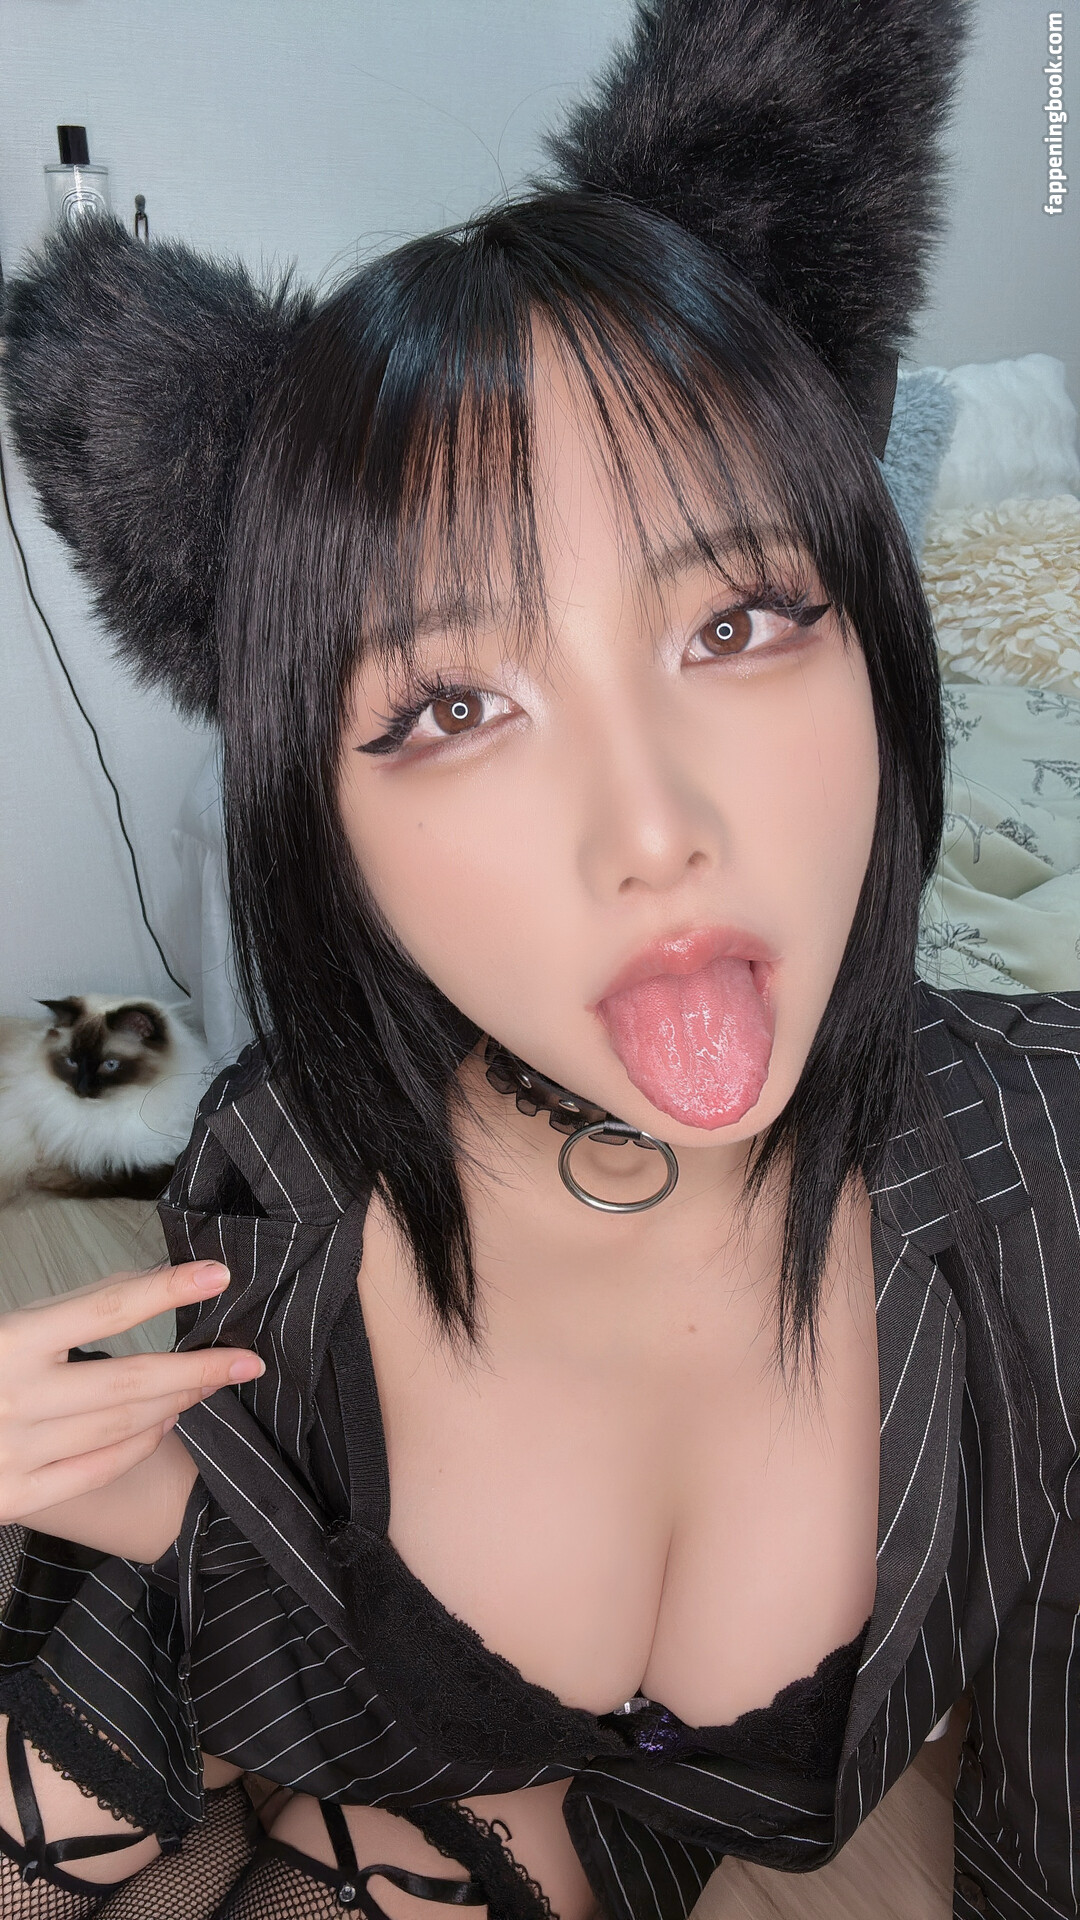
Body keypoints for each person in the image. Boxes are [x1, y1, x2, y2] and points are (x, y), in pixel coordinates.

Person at [0, 3, 1076, 1918]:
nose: (647, 826)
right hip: (331, 1734)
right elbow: (325, 1632)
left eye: (738, 621)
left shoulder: (1046, 1173)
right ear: (320, 811)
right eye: (452, 707)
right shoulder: (295, 1151)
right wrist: (134, 1505)